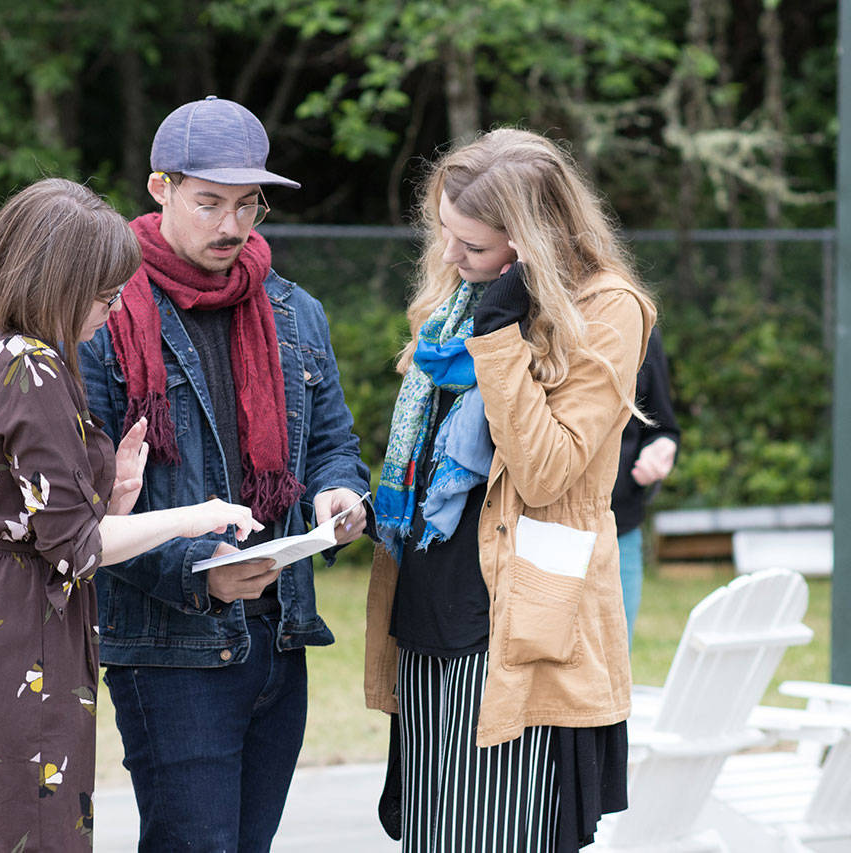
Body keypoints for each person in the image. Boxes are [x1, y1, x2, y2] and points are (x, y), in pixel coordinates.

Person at [0, 178, 262, 850]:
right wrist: (195, 515)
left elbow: (17, 505)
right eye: (103, 295)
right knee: (24, 827)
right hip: (14, 629)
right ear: (55, 286)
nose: (115, 307)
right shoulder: (33, 369)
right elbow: (77, 548)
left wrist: (115, 491)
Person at [79, 96, 372, 852]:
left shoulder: (296, 311)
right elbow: (84, 509)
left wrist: (342, 491)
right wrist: (198, 571)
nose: (232, 225)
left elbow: (335, 444)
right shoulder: (101, 317)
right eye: (210, 201)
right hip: (169, 646)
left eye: (249, 204)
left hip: (282, 635)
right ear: (160, 187)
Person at [364, 128, 657, 852]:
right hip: (431, 597)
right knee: (433, 834)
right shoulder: (458, 299)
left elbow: (548, 469)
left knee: (498, 834)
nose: (452, 258)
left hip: (514, 616)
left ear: (530, 241)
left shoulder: (607, 310)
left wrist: (501, 335)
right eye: (447, 236)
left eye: (474, 246)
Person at [611, 327, 680, 643]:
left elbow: (662, 426)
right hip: (534, 530)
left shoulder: (639, 330)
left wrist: (660, 448)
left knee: (613, 667)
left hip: (620, 530)